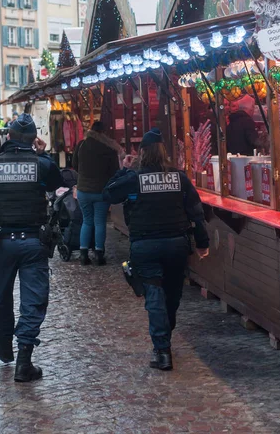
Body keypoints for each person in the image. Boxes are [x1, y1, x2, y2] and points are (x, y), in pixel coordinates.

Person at [103, 128, 210, 371]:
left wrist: (123, 168)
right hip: (176, 245)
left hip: (145, 245)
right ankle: (165, 337)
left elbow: (107, 194)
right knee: (172, 296)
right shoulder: (179, 177)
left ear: (141, 153)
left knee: (154, 297)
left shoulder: (133, 178)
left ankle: (162, 351)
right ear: (164, 152)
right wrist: (202, 243)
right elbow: (196, 212)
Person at [0, 113, 63, 382]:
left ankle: (3, 345)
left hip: (1, 243)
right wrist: (43, 155)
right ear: (34, 139)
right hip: (33, 241)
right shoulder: (41, 165)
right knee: (33, 301)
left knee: (1, 297)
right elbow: (57, 183)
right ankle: (24, 361)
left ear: (8, 137)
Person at [72, 121, 122, 266]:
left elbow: (75, 164)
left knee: (87, 221)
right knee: (100, 222)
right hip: (101, 191)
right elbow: (115, 171)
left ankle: (83, 254)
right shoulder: (109, 148)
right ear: (103, 132)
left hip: (83, 191)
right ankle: (99, 254)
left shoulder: (81, 145)